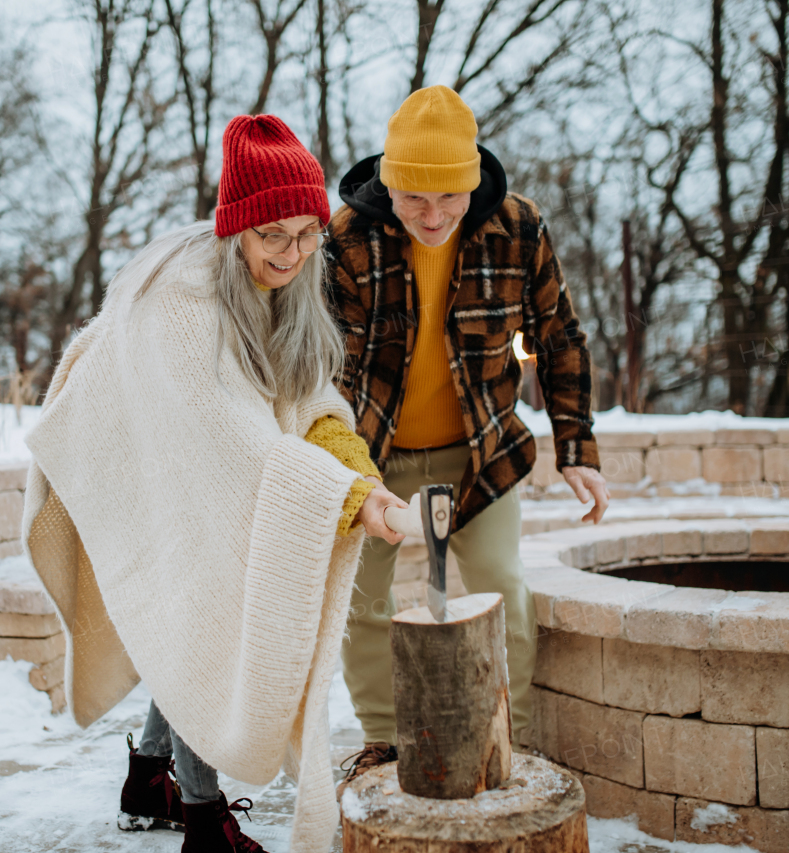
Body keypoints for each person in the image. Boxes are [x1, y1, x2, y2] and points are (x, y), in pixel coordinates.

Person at [21, 114, 406, 853]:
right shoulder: (186, 300)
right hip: (126, 446)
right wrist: (346, 500)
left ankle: (148, 775)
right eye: (274, 236)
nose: (294, 253)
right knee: (202, 599)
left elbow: (312, 403)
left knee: (190, 603)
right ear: (237, 231)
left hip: (182, 445)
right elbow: (236, 439)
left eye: (307, 234)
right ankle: (204, 820)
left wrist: (360, 478)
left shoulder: (288, 285)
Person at [325, 86, 610, 782]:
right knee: (363, 599)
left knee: (501, 586)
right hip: (374, 452)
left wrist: (576, 445)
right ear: (388, 184)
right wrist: (337, 472)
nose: (432, 216)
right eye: (414, 198)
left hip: (479, 451)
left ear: (472, 182)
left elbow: (558, 334)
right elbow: (322, 366)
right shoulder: (345, 240)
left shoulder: (519, 228)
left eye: (448, 198)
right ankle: (385, 739)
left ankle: (514, 734)